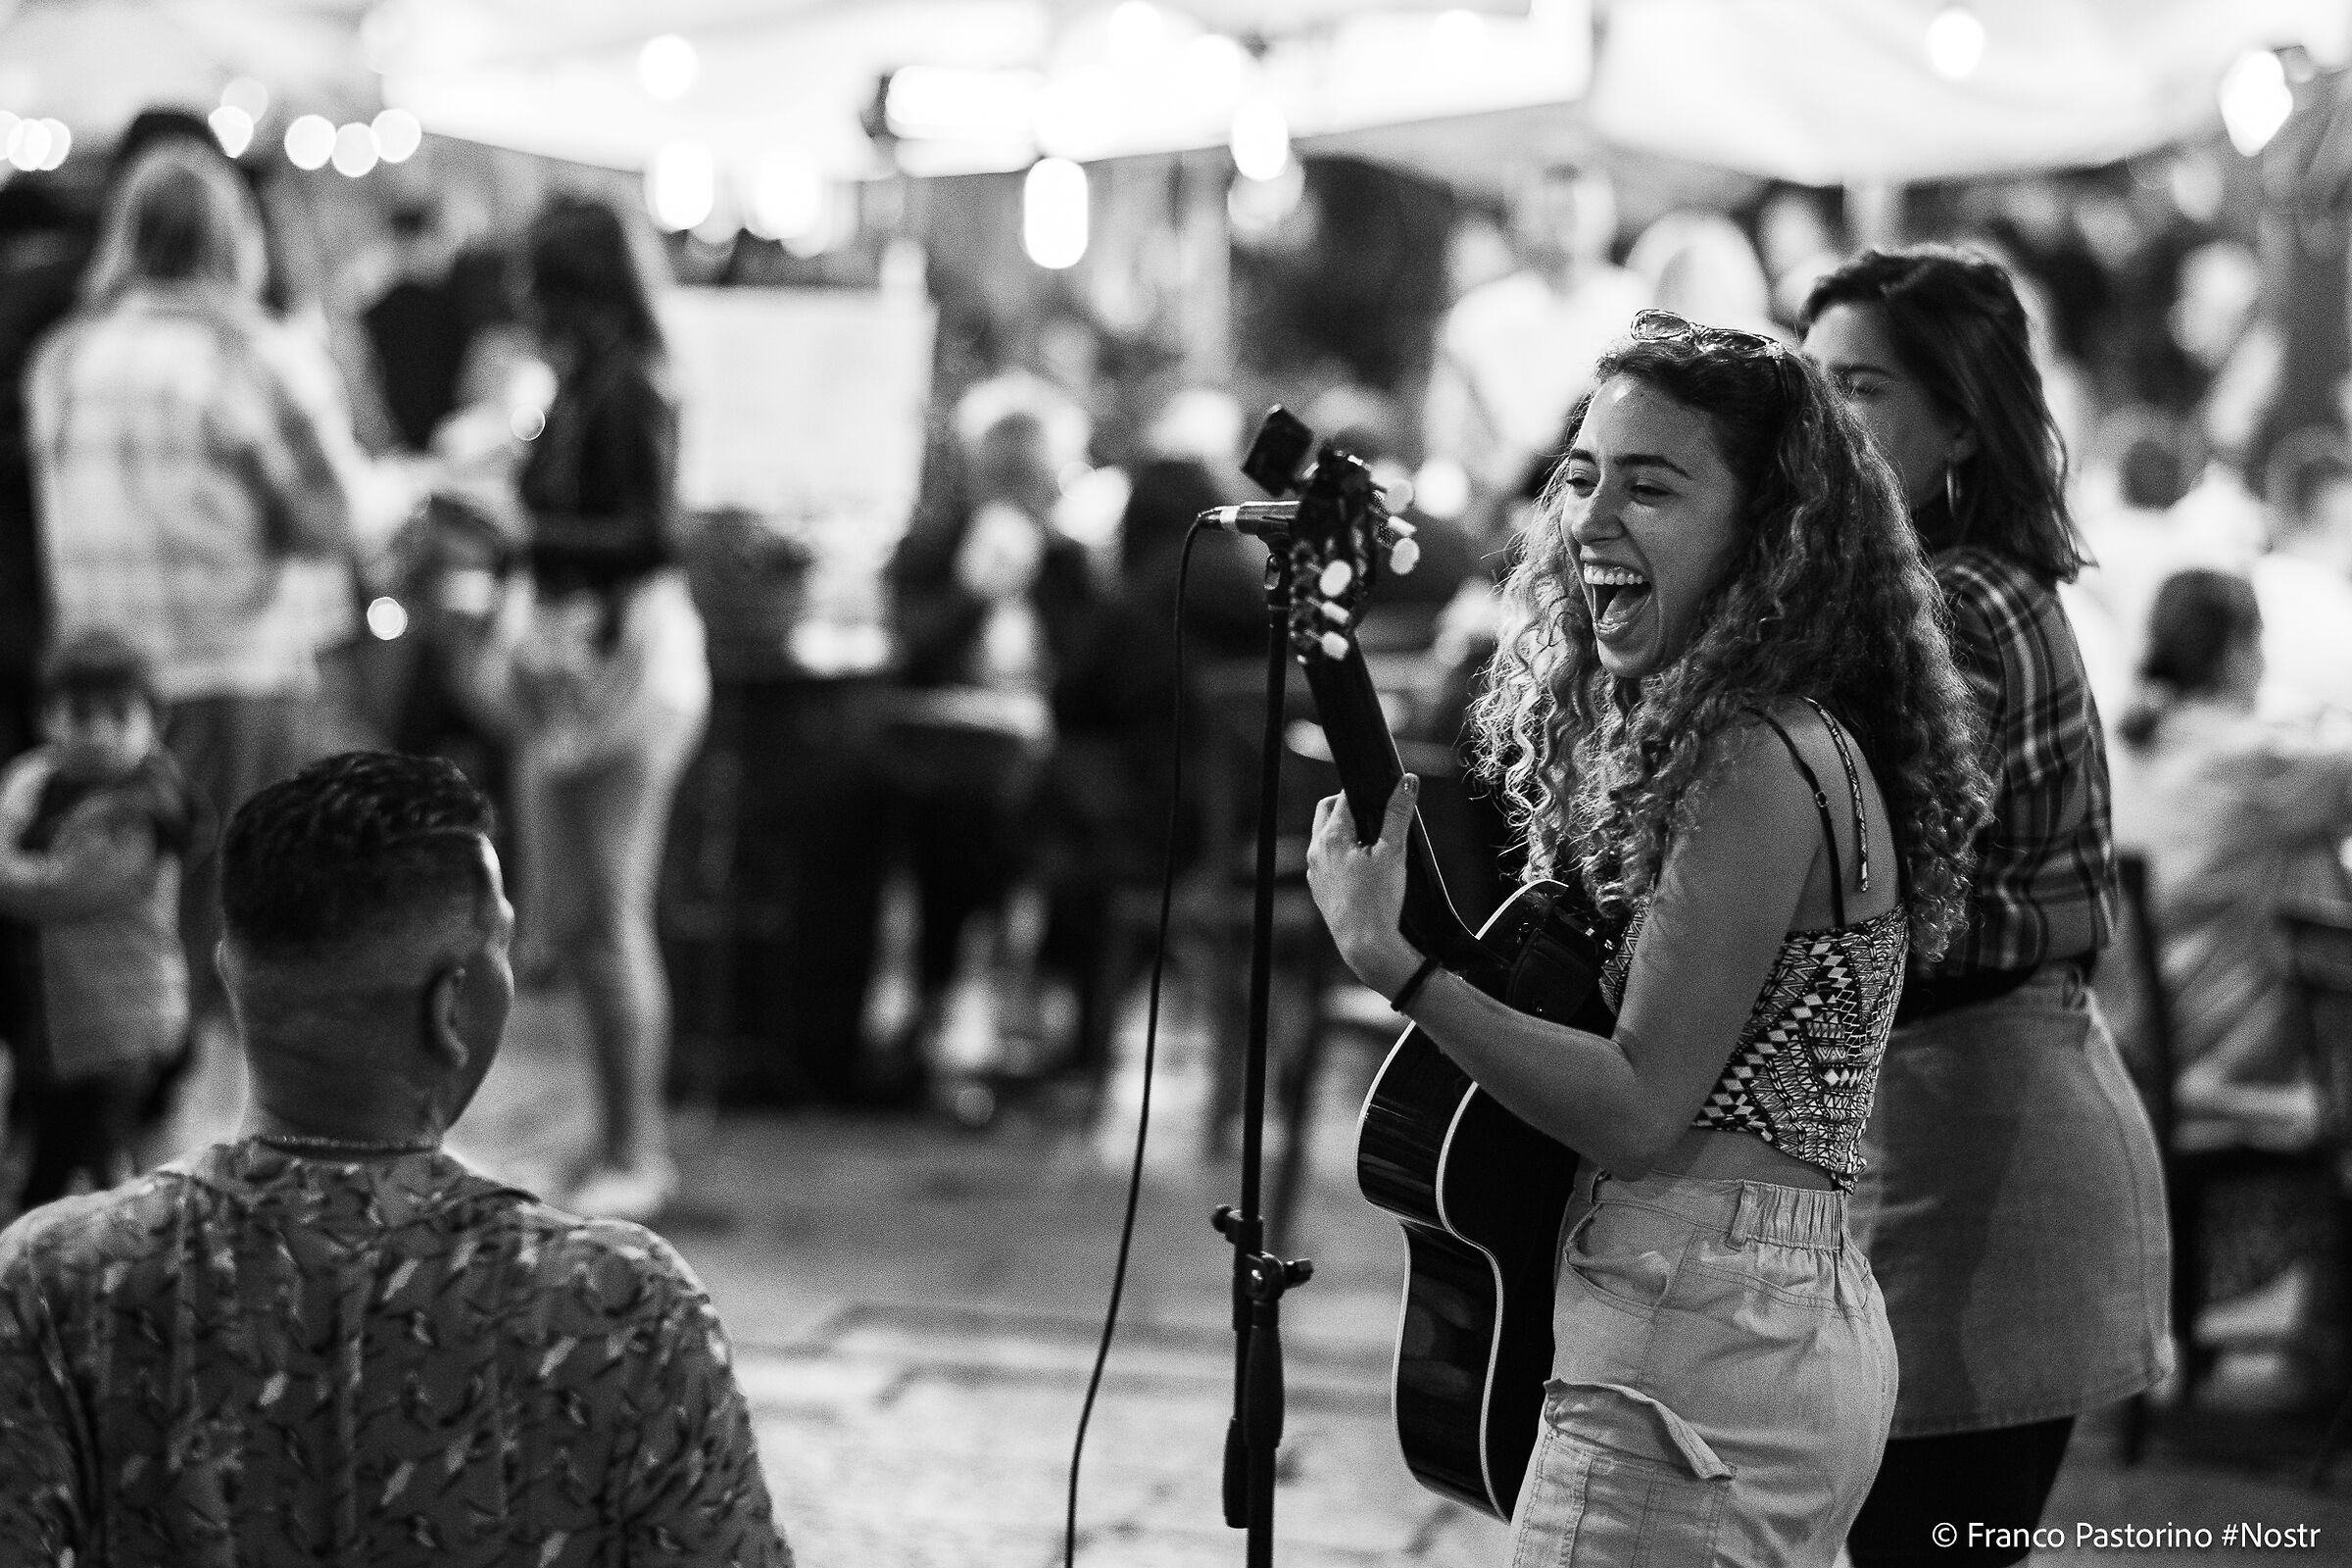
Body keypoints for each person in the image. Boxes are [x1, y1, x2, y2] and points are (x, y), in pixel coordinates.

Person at [1309, 312, 1992, 1564]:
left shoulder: (1752, 757)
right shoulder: (1798, 738)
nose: (1591, 519)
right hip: (1768, 1322)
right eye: (1581, 478)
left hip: (1697, 1342)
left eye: (1652, 486)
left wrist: (1398, 968)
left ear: (1769, 531)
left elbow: (1634, 1108)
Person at [0, 751, 792, 1563]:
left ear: (230, 970)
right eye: (501, 945)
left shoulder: (61, 1282)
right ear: (453, 1006)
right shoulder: (623, 1310)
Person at [1801, 246, 2172, 1566]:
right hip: (1963, 1122)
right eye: (1811, 383)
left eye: (1862, 388)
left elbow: (1861, 891)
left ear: (1961, 423)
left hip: (1988, 1146)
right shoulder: (1936, 585)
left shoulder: (1953, 603)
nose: (1823, 419)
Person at [24, 139, 359, 1042]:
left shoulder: (64, 357)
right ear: (235, 237)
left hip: (98, 693)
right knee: (227, 944)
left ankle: (133, 1120)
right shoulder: (255, 354)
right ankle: (199, 1119)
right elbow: (337, 519)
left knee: (117, 941)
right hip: (233, 672)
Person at [507, 193, 710, 1220]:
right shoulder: (588, 381)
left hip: (627, 677)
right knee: (584, 921)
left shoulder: (628, 386)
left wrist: (517, 536)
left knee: (611, 914)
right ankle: (614, 1131)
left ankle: (640, 1149)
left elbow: (653, 534)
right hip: (588, 676)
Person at [0, 632, 192, 1212]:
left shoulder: (136, 809)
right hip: (55, 1022)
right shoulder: (39, 779)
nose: (99, 732)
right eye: (80, 715)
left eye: (119, 716)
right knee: (43, 1152)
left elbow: (57, 891)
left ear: (155, 722)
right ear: (45, 716)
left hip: (117, 1026)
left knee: (95, 1169)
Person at [1423, 165, 1650, 531]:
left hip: (1608, 511)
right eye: (1551, 211)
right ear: (1521, 218)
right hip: (1497, 516)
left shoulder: (1638, 309)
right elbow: (1447, 431)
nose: (1565, 224)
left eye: (1577, 211)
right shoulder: (1479, 316)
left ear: (1608, 218)